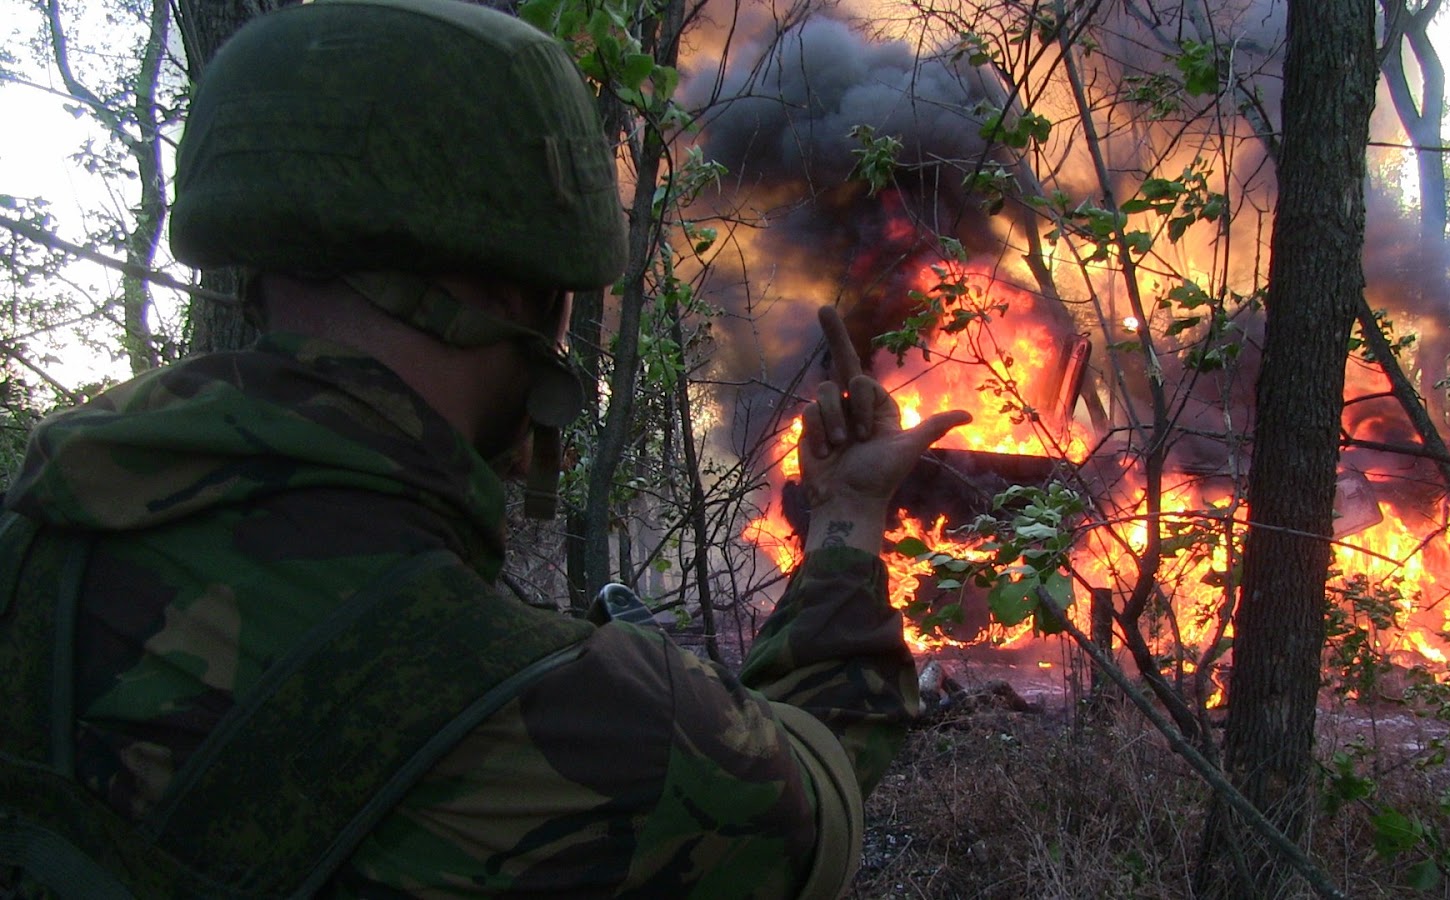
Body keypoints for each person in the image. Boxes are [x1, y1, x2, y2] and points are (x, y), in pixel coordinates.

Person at [0, 0, 971, 896]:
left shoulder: (34, 544)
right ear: (531, 296)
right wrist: (845, 518)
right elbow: (813, 807)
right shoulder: (573, 721)